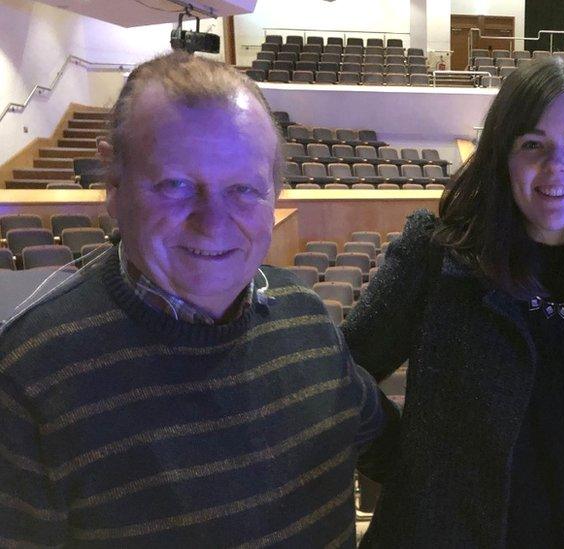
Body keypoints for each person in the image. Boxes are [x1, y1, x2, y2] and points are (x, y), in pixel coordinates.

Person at [0, 51, 397, 547]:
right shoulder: (27, 378)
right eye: (177, 185)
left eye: (245, 189)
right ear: (113, 184)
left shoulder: (309, 322)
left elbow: (403, 460)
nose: (212, 221)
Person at [342, 57, 564, 547]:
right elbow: (342, 379)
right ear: (502, 155)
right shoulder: (436, 259)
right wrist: (409, 462)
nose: (556, 166)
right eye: (532, 144)